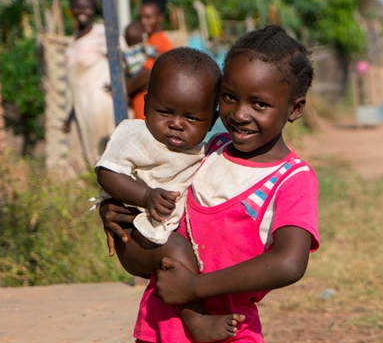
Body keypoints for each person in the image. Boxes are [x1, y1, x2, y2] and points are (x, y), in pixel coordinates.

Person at [99, 25, 319, 342]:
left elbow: (289, 263)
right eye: (230, 97)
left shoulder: (290, 179)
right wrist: (114, 208)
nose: (240, 114)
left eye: (259, 104)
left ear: (295, 108)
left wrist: (194, 287)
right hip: (159, 325)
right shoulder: (206, 150)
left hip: (228, 330)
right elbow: (151, 222)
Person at [95, 47, 241, 342]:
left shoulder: (204, 150)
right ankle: (197, 322)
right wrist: (145, 196)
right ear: (146, 105)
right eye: (165, 112)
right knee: (176, 251)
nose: (176, 123)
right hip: (133, 234)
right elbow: (106, 172)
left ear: (211, 122)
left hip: (163, 233)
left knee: (181, 251)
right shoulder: (135, 135)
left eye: (191, 118)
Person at [63, 0, 116, 166]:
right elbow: (74, 82)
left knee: (104, 151)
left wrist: (120, 87)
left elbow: (122, 58)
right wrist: (70, 115)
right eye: (78, 7)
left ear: (93, 10)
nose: (82, 11)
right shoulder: (73, 39)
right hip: (80, 105)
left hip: (99, 101)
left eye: (86, 7)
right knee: (85, 155)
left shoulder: (102, 32)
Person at [128, 0, 175, 120]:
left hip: (147, 112)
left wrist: (125, 92)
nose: (143, 22)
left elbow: (146, 74)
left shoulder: (157, 41)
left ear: (160, 18)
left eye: (148, 17)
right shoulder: (154, 41)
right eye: (140, 18)